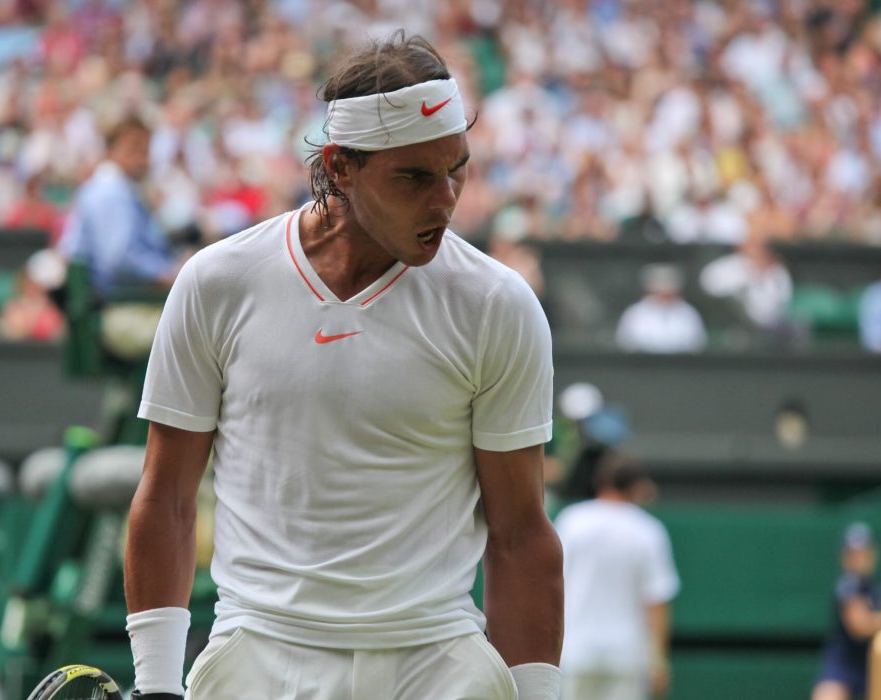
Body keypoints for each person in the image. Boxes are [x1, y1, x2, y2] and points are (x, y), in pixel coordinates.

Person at [125, 33, 562, 700]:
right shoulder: (217, 283)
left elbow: (520, 534)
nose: (445, 200)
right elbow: (166, 498)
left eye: (457, 169)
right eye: (414, 177)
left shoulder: (497, 306)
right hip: (258, 656)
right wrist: (156, 686)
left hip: (438, 662)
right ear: (341, 166)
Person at [556, 461, 679, 700]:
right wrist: (659, 661)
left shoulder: (571, 521)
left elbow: (551, 586)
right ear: (637, 487)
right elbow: (656, 602)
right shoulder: (649, 531)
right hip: (627, 656)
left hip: (576, 652)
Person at [58, 116, 178, 296]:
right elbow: (119, 261)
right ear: (110, 151)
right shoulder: (110, 191)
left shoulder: (120, 188)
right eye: (134, 149)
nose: (142, 159)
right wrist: (168, 274)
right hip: (116, 302)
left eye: (146, 150)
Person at [812, 523, 881, 700]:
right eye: (855, 553)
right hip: (843, 665)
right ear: (845, 557)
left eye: (865, 552)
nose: (861, 558)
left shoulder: (877, 586)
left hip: (873, 665)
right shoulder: (847, 585)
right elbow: (860, 627)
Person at [615, 264, 708, 353]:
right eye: (660, 292)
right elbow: (625, 344)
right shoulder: (634, 313)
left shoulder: (689, 313)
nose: (664, 295)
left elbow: (698, 344)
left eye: (669, 292)